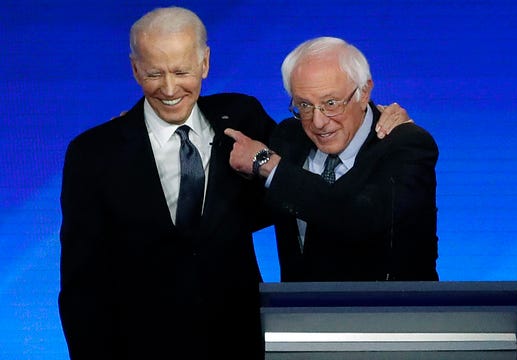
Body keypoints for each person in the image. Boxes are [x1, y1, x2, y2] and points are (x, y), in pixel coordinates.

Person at [59, 6, 411, 359]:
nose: (169, 88)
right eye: (154, 73)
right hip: (141, 346)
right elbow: (80, 285)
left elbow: (318, 145)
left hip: (239, 342)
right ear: (135, 69)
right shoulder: (93, 154)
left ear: (204, 63)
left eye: (181, 71)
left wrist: (379, 116)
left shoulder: (243, 117)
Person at [226, 36, 439, 282]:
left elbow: (355, 215)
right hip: (299, 314)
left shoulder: (406, 145)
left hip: (388, 314)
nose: (318, 122)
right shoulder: (288, 137)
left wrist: (269, 164)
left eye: (331, 103)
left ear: (364, 91)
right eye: (304, 105)